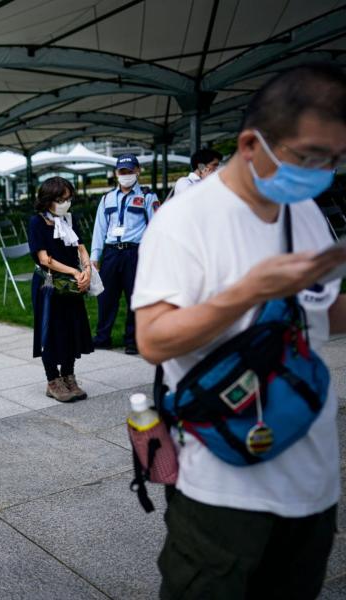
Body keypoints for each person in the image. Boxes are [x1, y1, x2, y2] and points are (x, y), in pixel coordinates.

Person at [133, 64, 346, 599]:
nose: (324, 171)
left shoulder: (305, 211)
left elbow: (319, 315)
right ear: (252, 144)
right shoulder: (184, 222)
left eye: (337, 160)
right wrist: (249, 291)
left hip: (313, 480)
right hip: (223, 489)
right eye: (311, 156)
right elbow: (152, 339)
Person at [28, 177, 93, 402]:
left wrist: (87, 271)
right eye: (60, 199)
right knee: (50, 331)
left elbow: (81, 248)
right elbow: (45, 259)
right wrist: (74, 273)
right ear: (48, 199)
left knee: (72, 329)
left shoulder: (68, 220)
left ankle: (69, 375)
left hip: (71, 287)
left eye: (68, 198)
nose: (65, 203)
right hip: (49, 285)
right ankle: (53, 380)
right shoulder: (37, 222)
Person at [90, 154, 158, 355]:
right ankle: (103, 337)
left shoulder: (148, 196)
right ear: (116, 174)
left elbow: (156, 227)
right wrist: (95, 256)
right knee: (105, 297)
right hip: (111, 253)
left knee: (134, 298)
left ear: (138, 171)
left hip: (134, 254)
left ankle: (133, 341)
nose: (126, 175)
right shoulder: (107, 198)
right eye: (122, 172)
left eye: (130, 171)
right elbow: (99, 229)